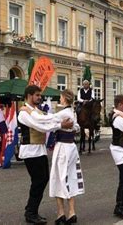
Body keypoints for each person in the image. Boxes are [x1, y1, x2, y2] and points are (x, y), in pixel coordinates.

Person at [24, 89, 83, 225]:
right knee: (71, 176)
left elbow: (42, 119)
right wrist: (71, 127)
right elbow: (77, 127)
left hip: (62, 147)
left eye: (61, 98)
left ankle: (61, 213)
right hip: (71, 146)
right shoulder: (72, 112)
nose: (60, 100)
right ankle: (72, 211)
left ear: (64, 99)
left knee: (59, 177)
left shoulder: (63, 112)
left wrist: (30, 111)